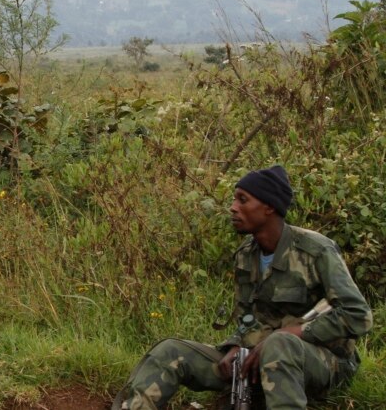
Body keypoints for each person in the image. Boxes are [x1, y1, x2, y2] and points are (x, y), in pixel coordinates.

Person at [112, 165, 372, 409]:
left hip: (328, 364)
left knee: (280, 344)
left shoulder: (316, 250)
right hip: (263, 356)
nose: (232, 208)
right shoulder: (246, 254)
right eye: (234, 200)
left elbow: (358, 316)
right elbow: (247, 316)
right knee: (170, 350)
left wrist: (297, 332)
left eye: (242, 199)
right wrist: (238, 345)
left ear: (269, 206)